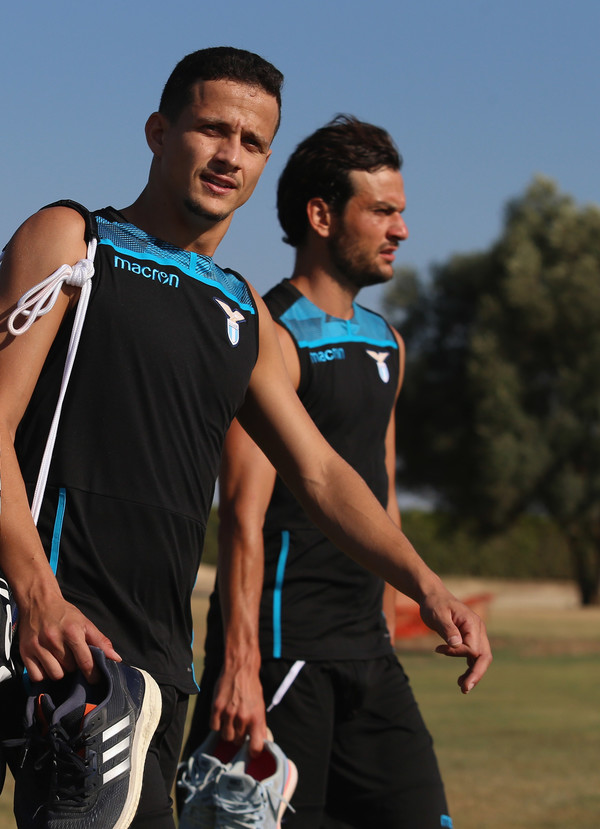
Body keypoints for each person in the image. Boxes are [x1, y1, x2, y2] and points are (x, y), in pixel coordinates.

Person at [0, 49, 490, 829]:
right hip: (39, 634)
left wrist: (426, 582)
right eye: (212, 129)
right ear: (158, 131)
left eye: (252, 142)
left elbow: (319, 473)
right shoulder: (75, 242)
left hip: (154, 660)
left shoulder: (240, 308)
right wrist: (40, 594)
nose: (229, 156)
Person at [182, 115, 456, 828]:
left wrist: (423, 595)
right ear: (322, 215)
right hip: (280, 656)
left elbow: (382, 499)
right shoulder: (267, 331)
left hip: (368, 651)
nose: (401, 229)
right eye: (384, 211)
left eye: (402, 211)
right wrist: (240, 664)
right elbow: (241, 515)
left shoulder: (387, 342)